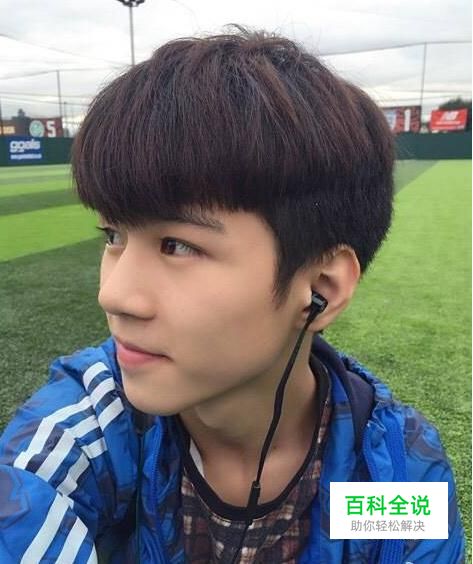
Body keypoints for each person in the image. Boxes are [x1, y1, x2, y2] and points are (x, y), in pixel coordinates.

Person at [0, 27, 465, 564]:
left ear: (321, 288)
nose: (114, 294)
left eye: (177, 245)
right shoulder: (86, 431)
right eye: (113, 236)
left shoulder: (394, 473)